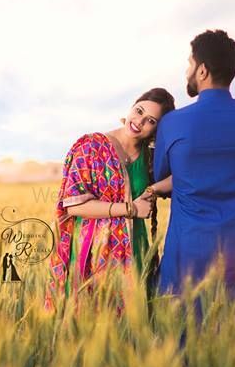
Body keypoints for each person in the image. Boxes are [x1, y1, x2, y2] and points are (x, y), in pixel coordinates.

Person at [153, 30, 235, 331]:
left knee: (184, 343)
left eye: (189, 63)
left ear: (202, 70)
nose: (187, 71)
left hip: (189, 250)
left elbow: (162, 175)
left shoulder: (172, 123)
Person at [45, 88, 175, 313]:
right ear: (131, 107)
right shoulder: (91, 147)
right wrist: (131, 208)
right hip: (94, 250)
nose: (139, 121)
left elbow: (182, 177)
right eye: (139, 111)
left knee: (130, 329)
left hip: (134, 245)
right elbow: (74, 205)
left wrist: (153, 189)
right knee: (90, 322)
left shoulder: (150, 156)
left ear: (156, 130)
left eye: (150, 120)